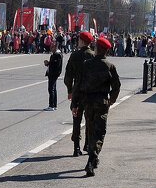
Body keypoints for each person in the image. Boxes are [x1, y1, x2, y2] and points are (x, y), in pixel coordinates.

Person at [70, 36, 121, 176]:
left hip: (87, 103)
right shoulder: (109, 66)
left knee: (91, 129)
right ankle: (92, 160)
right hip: (102, 103)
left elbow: (78, 86)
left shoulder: (86, 64)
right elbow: (116, 86)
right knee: (99, 132)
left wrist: (75, 104)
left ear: (97, 49)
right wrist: (112, 99)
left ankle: (93, 158)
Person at [63, 32, 91, 156]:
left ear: (82, 41)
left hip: (77, 91)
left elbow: (68, 75)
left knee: (76, 119)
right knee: (89, 119)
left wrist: (69, 90)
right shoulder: (93, 56)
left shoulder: (75, 55)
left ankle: (76, 148)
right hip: (90, 91)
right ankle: (87, 144)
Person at [43, 44, 62, 111]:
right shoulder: (55, 54)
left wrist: (48, 63)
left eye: (52, 47)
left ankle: (51, 105)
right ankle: (54, 104)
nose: (51, 48)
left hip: (53, 73)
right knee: (53, 89)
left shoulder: (57, 54)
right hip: (53, 73)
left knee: (51, 89)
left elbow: (56, 64)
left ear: (55, 47)